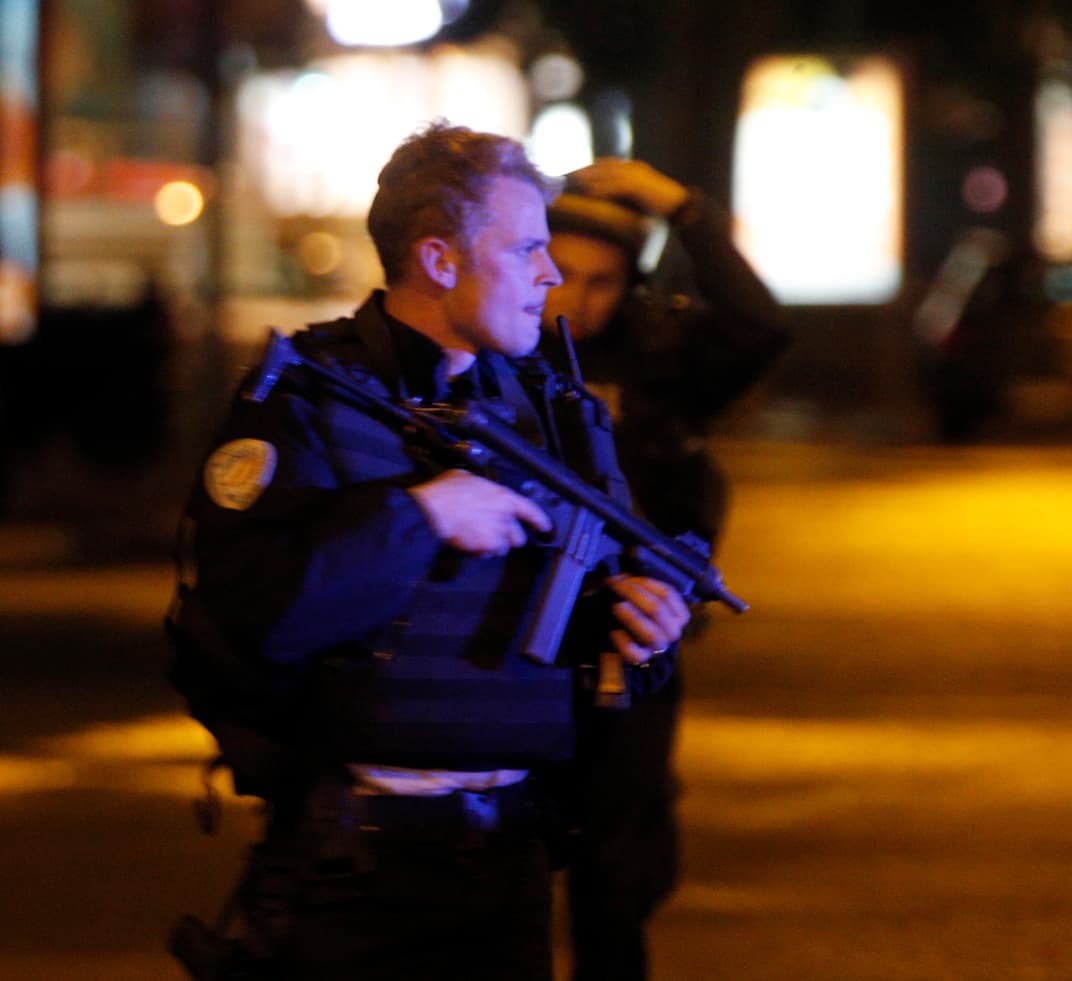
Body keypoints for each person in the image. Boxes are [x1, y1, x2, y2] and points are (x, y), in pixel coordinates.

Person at [165, 121, 691, 981]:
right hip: (354, 875)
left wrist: (643, 634)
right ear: (441, 260)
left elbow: (604, 633)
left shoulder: (553, 415)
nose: (550, 276)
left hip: (512, 865)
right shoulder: (304, 401)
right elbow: (248, 617)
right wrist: (419, 517)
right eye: (526, 249)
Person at [540, 158, 790, 981]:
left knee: (617, 875)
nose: (577, 297)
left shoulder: (654, 361)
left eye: (602, 280)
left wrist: (686, 210)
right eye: (560, 272)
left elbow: (757, 327)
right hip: (515, 643)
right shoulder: (493, 355)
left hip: (631, 646)